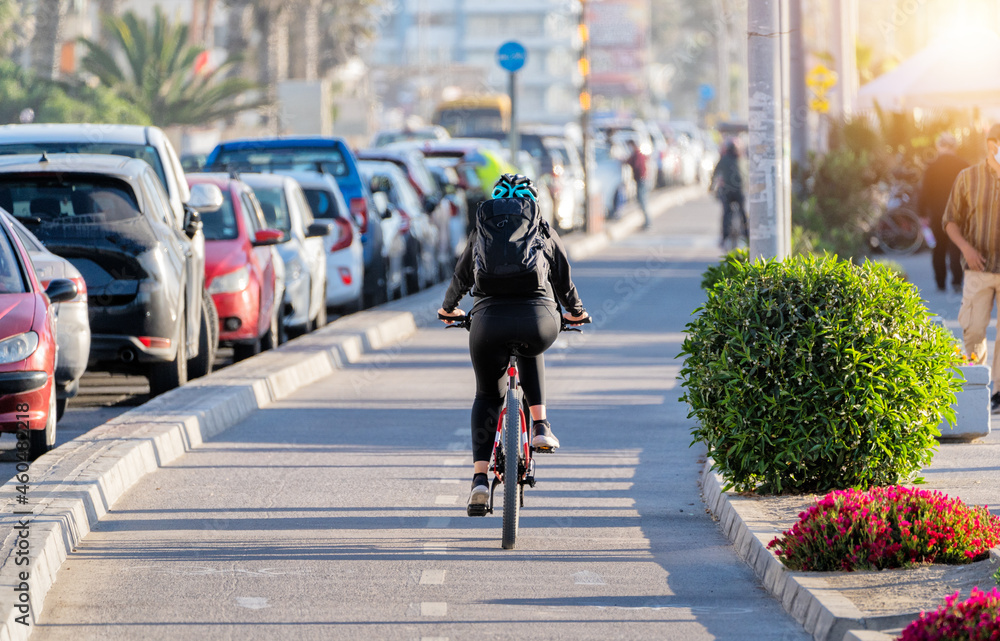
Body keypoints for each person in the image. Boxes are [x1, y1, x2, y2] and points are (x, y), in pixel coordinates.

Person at [438, 174, 590, 515]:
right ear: (533, 204)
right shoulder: (543, 229)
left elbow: (461, 277)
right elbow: (564, 281)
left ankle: (479, 479)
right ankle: (540, 426)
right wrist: (577, 313)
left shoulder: (483, 232)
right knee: (529, 346)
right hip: (539, 321)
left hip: (486, 323)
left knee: (487, 395)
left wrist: (449, 309)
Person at [943, 124, 1000, 412]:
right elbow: (950, 220)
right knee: (974, 329)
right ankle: (977, 386)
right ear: (993, 145)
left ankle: (999, 392)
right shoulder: (968, 178)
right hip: (978, 269)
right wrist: (966, 248)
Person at [920, 132, 969, 293]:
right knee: (957, 246)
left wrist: (922, 213)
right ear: (954, 147)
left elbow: (924, 191)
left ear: (938, 146)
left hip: (937, 213)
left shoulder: (931, 167)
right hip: (958, 213)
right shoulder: (963, 165)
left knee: (939, 247)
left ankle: (940, 282)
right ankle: (956, 281)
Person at [711, 139, 747, 248]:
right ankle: (747, 234)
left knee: (726, 213)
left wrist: (711, 187)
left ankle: (724, 237)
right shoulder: (742, 160)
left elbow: (715, 174)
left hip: (727, 191)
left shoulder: (723, 160)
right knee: (742, 212)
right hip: (739, 190)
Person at [626, 139, 651, 229]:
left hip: (641, 180)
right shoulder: (637, 154)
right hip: (641, 180)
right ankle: (646, 222)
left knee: (642, 202)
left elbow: (635, 165)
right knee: (641, 201)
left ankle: (647, 222)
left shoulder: (637, 154)